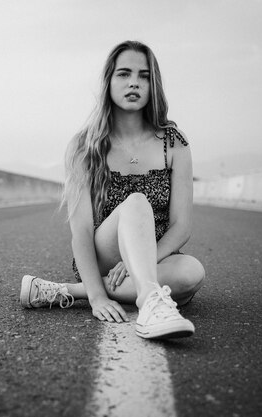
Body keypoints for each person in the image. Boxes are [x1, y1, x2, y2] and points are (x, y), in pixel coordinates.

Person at [20, 41, 205, 339]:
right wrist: (98, 298)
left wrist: (139, 266)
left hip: (154, 256)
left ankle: (68, 291)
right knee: (136, 203)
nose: (134, 82)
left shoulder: (174, 144)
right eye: (124, 74)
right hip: (105, 254)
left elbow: (181, 226)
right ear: (109, 82)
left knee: (191, 274)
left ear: (153, 84)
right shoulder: (86, 145)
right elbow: (80, 232)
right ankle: (148, 299)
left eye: (144, 75)